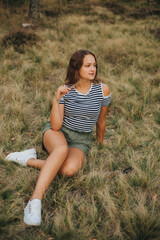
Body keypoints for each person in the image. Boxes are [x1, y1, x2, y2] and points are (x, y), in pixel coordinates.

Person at [5, 49, 111, 226]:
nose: (93, 69)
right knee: (61, 150)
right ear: (77, 68)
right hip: (58, 133)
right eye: (88, 65)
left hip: (80, 139)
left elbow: (101, 120)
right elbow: (55, 125)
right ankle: (35, 201)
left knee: (68, 170)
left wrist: (100, 142)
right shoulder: (66, 90)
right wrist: (56, 99)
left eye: (94, 65)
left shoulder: (103, 90)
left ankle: (28, 160)